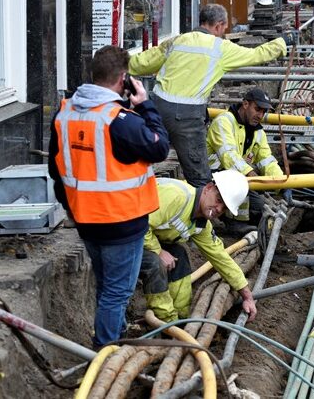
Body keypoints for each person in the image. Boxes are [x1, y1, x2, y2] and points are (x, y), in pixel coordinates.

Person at [48, 46, 170, 347]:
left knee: (107, 286)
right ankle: (105, 351)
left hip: (86, 221)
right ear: (123, 79)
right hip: (122, 222)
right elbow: (159, 147)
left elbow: (56, 170)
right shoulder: (120, 121)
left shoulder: (64, 115)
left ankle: (113, 334)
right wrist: (145, 106)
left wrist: (72, 209)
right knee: (117, 291)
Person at [129, 3, 297, 187]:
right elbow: (258, 54)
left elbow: (141, 63)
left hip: (156, 108)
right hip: (187, 118)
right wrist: (283, 41)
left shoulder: (178, 40)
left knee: (140, 164)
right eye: (224, 28)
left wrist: (115, 62)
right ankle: (198, 212)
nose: (223, 32)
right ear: (218, 25)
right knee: (199, 178)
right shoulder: (220, 48)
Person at [140, 172, 257, 323]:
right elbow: (139, 223)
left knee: (179, 255)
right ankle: (165, 323)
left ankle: (182, 319)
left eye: (223, 208)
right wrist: (158, 251)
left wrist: (247, 296)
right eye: (218, 200)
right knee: (155, 264)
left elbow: (221, 257)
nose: (218, 208)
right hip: (119, 234)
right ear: (208, 188)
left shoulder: (201, 224)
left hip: (143, 238)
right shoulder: (177, 196)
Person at [206, 87, 291, 226]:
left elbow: (267, 160)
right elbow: (229, 156)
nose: (260, 115)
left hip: (238, 178)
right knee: (241, 182)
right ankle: (231, 223)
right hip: (211, 179)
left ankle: (240, 221)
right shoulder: (224, 122)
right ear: (245, 104)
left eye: (264, 112)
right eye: (257, 109)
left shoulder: (258, 133)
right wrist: (250, 174)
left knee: (259, 208)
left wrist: (282, 183)